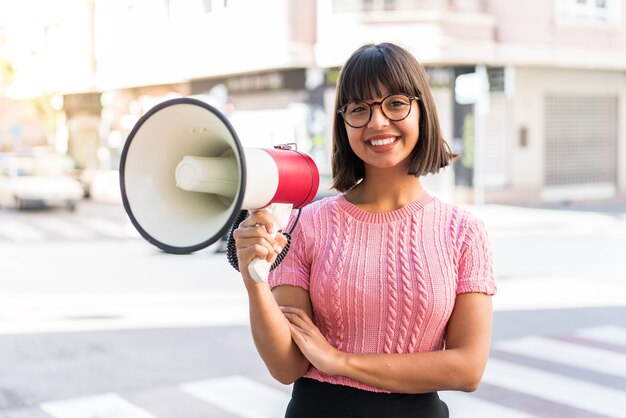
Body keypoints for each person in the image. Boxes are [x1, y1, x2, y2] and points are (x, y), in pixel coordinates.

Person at [233, 42, 497, 418]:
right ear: (344, 123)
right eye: (359, 109)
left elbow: (468, 369)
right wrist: (254, 281)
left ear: (422, 110)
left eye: (395, 103)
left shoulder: (464, 232)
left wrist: (341, 361)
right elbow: (286, 366)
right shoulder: (306, 223)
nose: (377, 122)